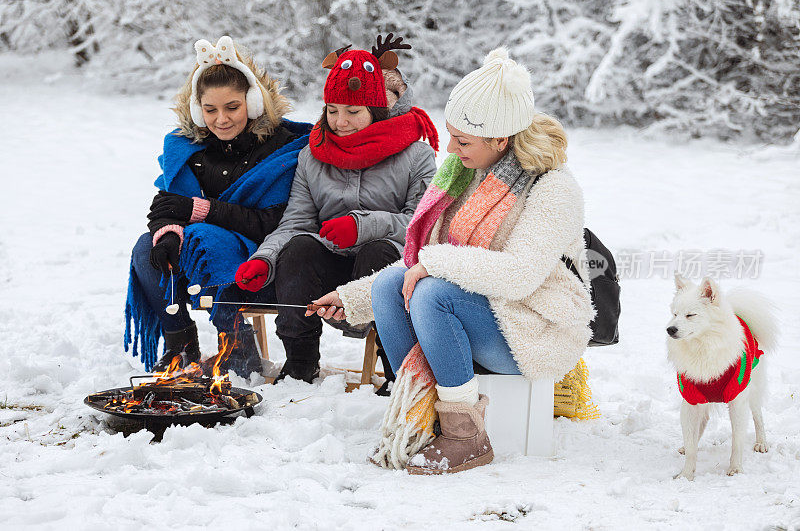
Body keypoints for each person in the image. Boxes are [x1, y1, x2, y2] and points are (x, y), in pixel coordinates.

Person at [313, 48, 595, 474]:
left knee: (432, 293)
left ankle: (466, 434)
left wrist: (436, 264)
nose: (450, 148)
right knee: (395, 287)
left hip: (531, 328)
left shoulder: (554, 188)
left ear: (501, 139)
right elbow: (418, 262)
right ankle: (419, 416)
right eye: (451, 135)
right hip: (481, 313)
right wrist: (351, 298)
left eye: (462, 140)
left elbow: (518, 275)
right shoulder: (463, 173)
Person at [235, 34, 439, 384]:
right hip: (331, 259)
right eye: (333, 111)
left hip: (382, 262)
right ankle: (300, 361)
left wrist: (364, 226)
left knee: (379, 253)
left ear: (376, 111)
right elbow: (296, 223)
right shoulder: (313, 157)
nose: (340, 121)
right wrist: (265, 258)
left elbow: (422, 228)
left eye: (352, 112)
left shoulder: (415, 155)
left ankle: (396, 370)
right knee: (298, 249)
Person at [124, 36, 311, 377]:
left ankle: (238, 345)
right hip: (201, 248)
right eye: (210, 110)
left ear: (253, 103)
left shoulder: (280, 149)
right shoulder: (187, 150)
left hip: (260, 257)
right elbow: (167, 206)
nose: (221, 119)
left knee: (206, 239)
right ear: (197, 109)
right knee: (144, 249)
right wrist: (168, 233)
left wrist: (200, 211)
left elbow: (276, 221)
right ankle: (180, 343)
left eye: (232, 108)